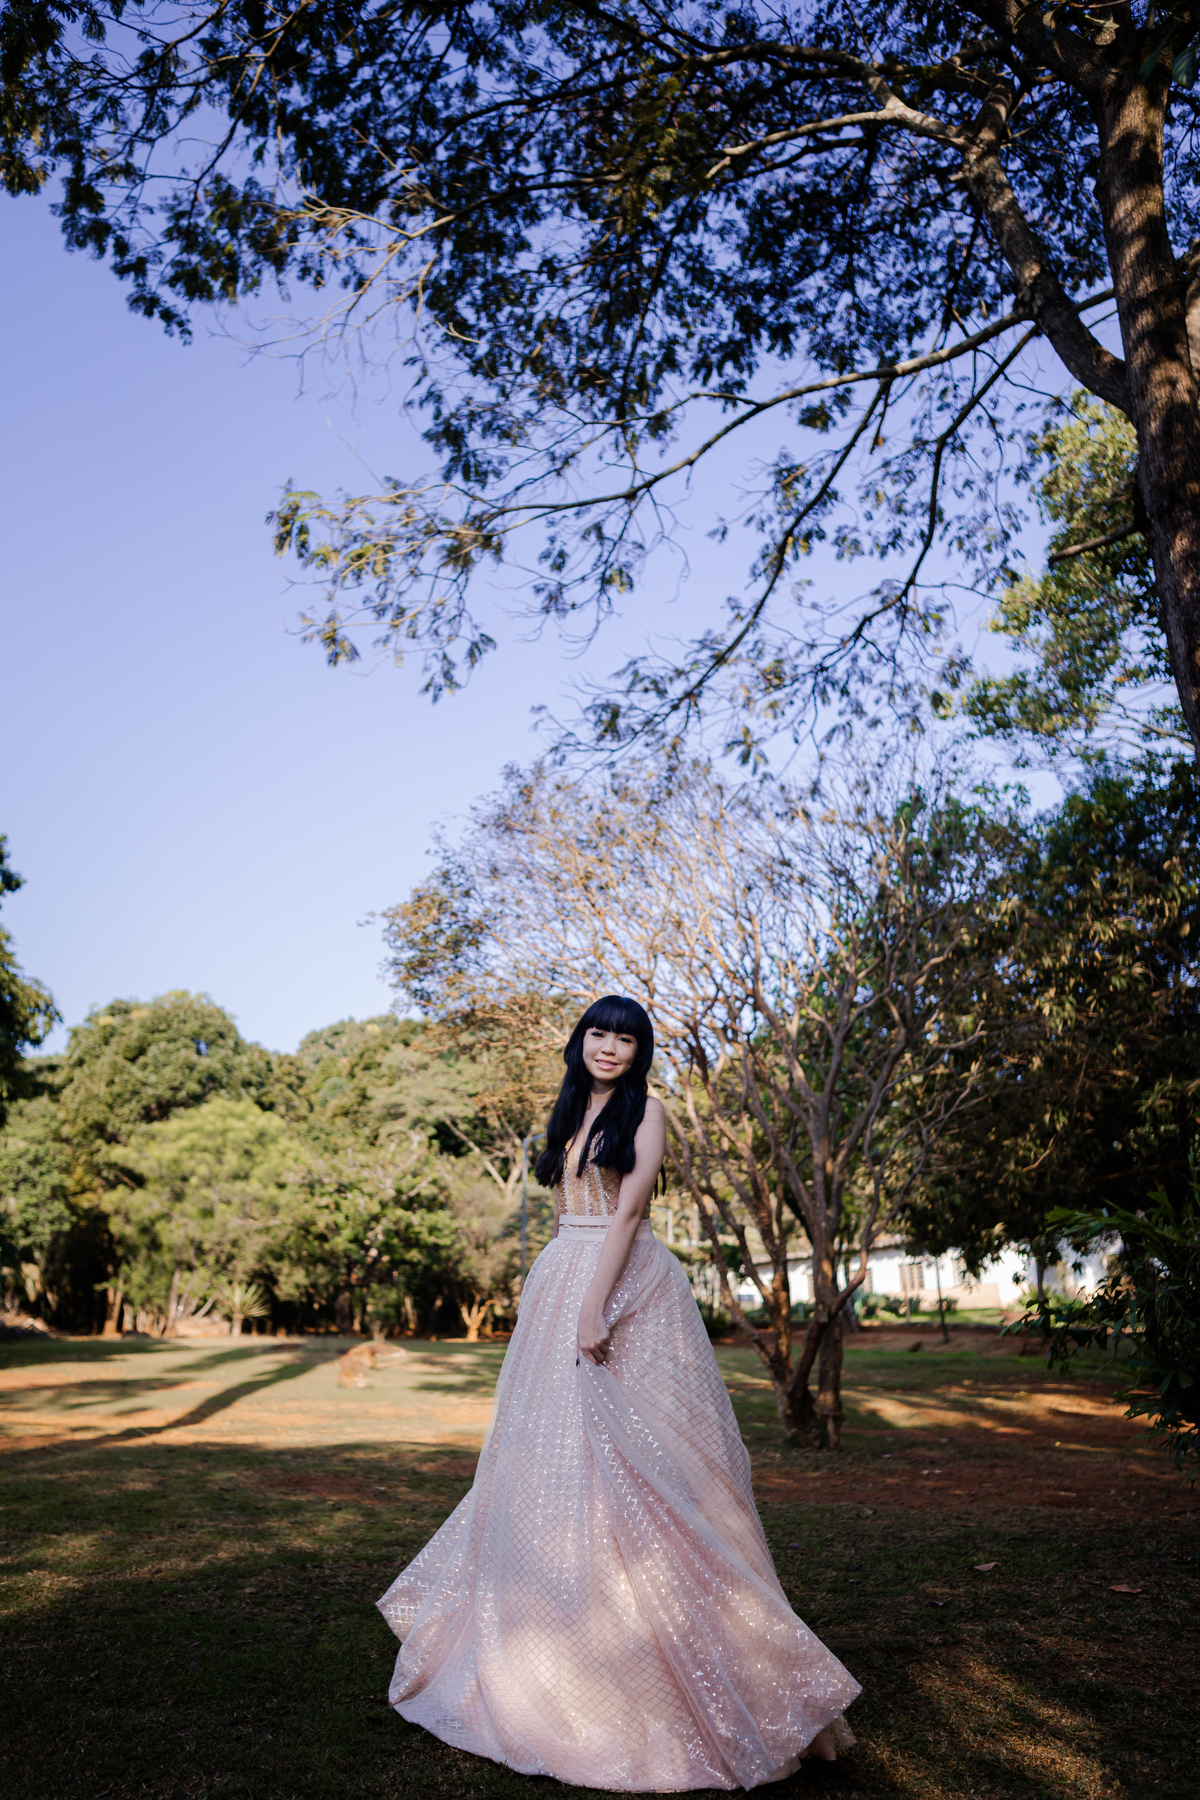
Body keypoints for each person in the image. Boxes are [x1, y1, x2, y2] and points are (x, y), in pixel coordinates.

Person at [378, 995, 860, 1790]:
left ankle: (703, 1652)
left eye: (625, 1038)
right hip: (563, 1274)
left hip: (624, 1283)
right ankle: (562, 1632)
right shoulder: (568, 1110)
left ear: (640, 1051)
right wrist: (555, 1296)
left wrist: (593, 1304)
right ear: (581, 1041)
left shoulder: (649, 1110)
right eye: (598, 1033)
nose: (609, 1046)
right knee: (552, 1457)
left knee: (650, 1458)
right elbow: (566, 1211)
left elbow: (629, 1211)